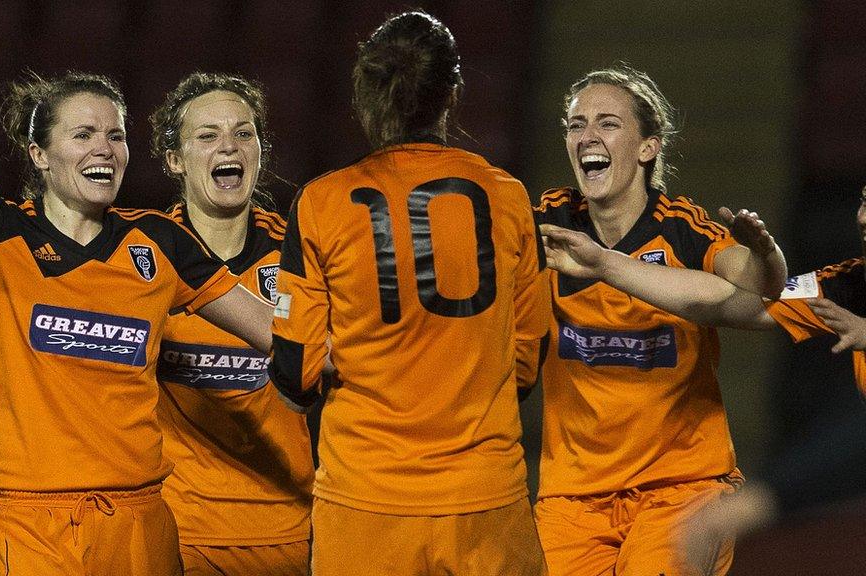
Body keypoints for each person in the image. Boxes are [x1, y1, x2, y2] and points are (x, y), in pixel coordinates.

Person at [0, 71, 274, 576]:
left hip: (140, 520)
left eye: (115, 136)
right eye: (83, 135)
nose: (105, 149)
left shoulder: (160, 242)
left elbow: (269, 326)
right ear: (39, 153)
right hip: (31, 522)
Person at [267, 11, 551, 576]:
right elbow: (528, 357)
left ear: (365, 94)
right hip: (484, 501)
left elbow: (295, 368)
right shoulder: (510, 198)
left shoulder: (322, 203)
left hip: (365, 507)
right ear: (453, 92)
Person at [530, 64, 788, 576]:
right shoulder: (548, 221)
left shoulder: (682, 228)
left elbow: (764, 290)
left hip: (681, 489)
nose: (588, 137)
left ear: (648, 147)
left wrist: (764, 250)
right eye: (576, 125)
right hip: (572, 498)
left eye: (608, 123)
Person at [540, 187, 866, 568]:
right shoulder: (847, 285)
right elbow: (735, 304)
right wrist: (607, 266)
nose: (862, 217)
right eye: (863, 201)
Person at [148, 72, 314, 575]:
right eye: (208, 136)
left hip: (286, 532)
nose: (230, 146)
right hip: (173, 532)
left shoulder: (302, 254)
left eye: (244, 133)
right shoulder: (141, 256)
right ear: (175, 160)